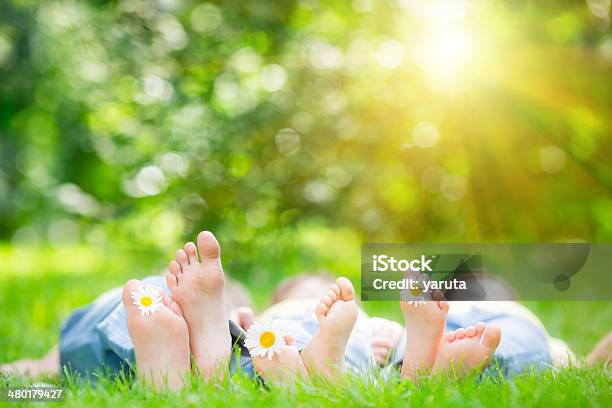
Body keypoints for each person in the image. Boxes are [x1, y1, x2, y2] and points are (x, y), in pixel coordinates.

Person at [1, 231, 610, 389]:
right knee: (548, 351)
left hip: (263, 337)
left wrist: (25, 376)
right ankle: (417, 363)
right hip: (358, 345)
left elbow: (41, 381)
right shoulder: (373, 326)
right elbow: (574, 360)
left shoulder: (267, 315)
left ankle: (194, 354)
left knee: (242, 348)